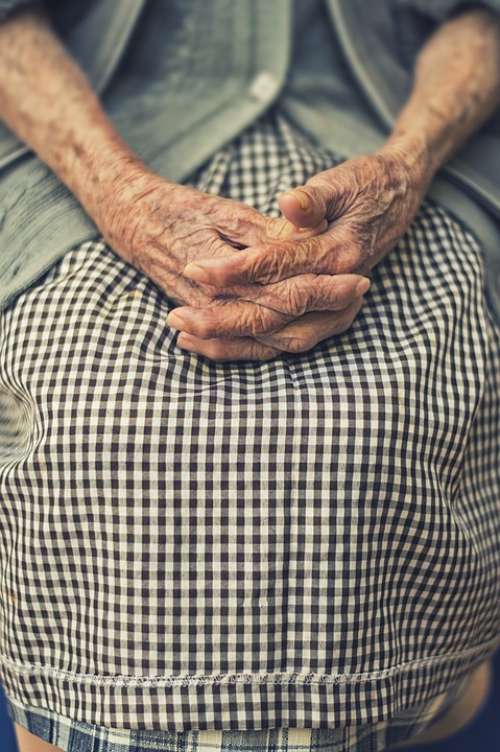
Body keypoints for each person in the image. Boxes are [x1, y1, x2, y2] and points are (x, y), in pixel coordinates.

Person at [0, 1, 499, 751]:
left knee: (386, 412)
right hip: (89, 141)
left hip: (397, 131)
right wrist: (121, 195)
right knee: (97, 423)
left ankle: (433, 700)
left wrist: (407, 166)